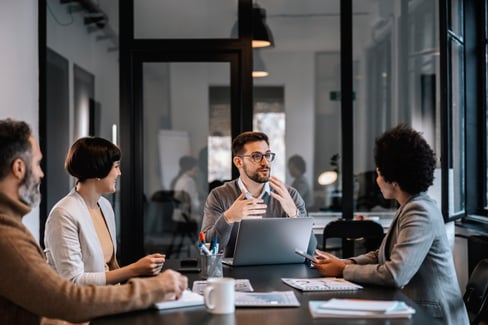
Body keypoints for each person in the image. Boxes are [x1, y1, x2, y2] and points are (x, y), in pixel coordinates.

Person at [0, 118, 187, 324]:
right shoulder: (11, 235)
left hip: (102, 308)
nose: (41, 173)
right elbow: (67, 296)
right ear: (18, 168)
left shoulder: (104, 207)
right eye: (36, 163)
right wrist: (153, 286)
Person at [311, 124, 469, 325]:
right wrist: (345, 263)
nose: (376, 179)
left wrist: (342, 270)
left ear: (394, 180)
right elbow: (381, 254)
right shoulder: (409, 206)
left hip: (433, 318)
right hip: (414, 309)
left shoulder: (419, 211)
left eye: (378, 173)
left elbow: (396, 274)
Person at [44, 137, 166, 285]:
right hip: (82, 305)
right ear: (99, 169)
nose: (119, 173)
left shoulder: (105, 205)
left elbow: (109, 267)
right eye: (116, 167)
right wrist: (135, 269)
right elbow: (74, 281)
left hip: (109, 298)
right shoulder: (63, 214)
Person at [201, 131, 316, 256]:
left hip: (280, 271)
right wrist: (228, 217)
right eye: (256, 156)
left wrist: (294, 214)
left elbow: (310, 251)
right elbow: (208, 249)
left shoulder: (290, 195)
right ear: (238, 162)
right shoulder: (219, 196)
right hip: (234, 273)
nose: (265, 162)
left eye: (267, 155)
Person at [170, 155, 202, 225]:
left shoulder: (180, 179)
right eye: (196, 166)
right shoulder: (189, 181)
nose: (197, 169)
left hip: (178, 215)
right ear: (191, 167)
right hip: (186, 216)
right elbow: (193, 203)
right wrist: (202, 208)